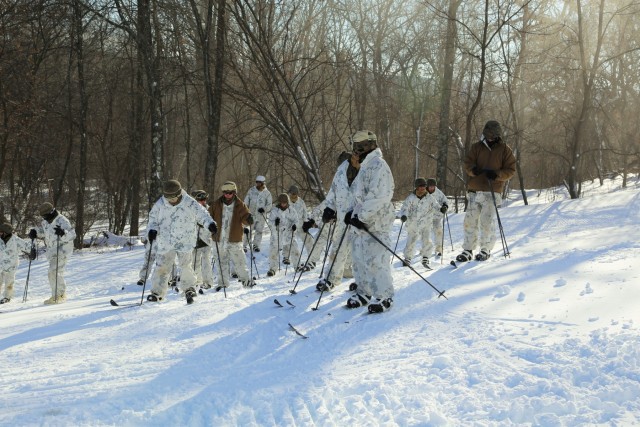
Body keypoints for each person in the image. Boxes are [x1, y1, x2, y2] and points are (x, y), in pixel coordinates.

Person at [344, 130, 396, 313]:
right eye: (355, 147)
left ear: (369, 145)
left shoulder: (379, 166)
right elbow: (357, 195)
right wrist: (351, 212)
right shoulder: (365, 167)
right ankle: (364, 292)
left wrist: (362, 216)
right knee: (359, 259)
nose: (357, 151)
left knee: (376, 260)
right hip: (360, 224)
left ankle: (384, 295)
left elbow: (379, 196)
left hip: (376, 222)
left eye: (360, 147)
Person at [146, 180, 217, 303]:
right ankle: (157, 293)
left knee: (186, 266)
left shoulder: (189, 202)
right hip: (166, 240)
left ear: (179, 194)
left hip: (185, 239)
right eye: (168, 198)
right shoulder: (160, 203)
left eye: (174, 197)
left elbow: (202, 213)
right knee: (162, 267)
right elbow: (153, 218)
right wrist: (152, 230)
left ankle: (189, 288)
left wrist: (209, 223)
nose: (171, 200)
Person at [456, 120, 516, 262]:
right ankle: (468, 250)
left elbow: (511, 170)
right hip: (474, 189)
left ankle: (485, 249)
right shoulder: (476, 147)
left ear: (498, 135)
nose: (489, 137)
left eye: (492, 134)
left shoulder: (505, 150)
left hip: (492, 190)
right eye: (487, 134)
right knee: (470, 221)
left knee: (486, 221)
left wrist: (497, 174)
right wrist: (473, 170)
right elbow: (467, 163)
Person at [316, 151, 357, 291]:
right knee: (337, 248)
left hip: (359, 219)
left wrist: (358, 211)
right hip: (342, 220)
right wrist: (329, 208)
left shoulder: (363, 172)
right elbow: (333, 193)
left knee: (361, 250)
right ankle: (331, 278)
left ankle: (363, 282)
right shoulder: (339, 175)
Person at [208, 181, 255, 291]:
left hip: (234, 238)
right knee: (221, 262)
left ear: (234, 192)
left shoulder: (240, 204)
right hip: (218, 239)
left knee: (240, 261)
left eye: (230, 193)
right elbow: (207, 217)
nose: (227, 195)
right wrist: (209, 225)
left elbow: (245, 216)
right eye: (225, 193)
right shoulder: (216, 204)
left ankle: (246, 280)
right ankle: (222, 283)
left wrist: (248, 219)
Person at [29, 202, 76, 304]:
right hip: (52, 252)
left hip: (63, 250)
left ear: (51, 212)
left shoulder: (62, 221)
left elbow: (72, 235)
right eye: (43, 216)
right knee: (53, 272)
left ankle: (60, 295)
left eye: (45, 215)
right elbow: (44, 231)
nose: (44, 218)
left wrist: (63, 233)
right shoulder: (46, 221)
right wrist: (35, 232)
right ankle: (57, 294)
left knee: (53, 271)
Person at [398, 178, 442, 268]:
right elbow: (404, 208)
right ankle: (408, 258)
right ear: (417, 187)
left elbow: (436, 205)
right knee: (411, 240)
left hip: (426, 222)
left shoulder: (429, 197)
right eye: (420, 186)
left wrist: (442, 208)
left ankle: (426, 257)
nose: (422, 188)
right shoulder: (411, 198)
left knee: (426, 239)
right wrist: (404, 215)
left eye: (424, 186)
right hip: (413, 223)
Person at [266, 193, 300, 277]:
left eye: (285, 202)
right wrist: (275, 223)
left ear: (287, 202)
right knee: (273, 252)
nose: (283, 204)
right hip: (277, 235)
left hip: (289, 234)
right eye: (282, 202)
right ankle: (272, 269)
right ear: (279, 202)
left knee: (295, 250)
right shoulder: (275, 211)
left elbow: (296, 220)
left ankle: (297, 266)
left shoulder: (291, 210)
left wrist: (294, 226)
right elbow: (270, 223)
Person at [0, 223, 35, 304]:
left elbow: (26, 245)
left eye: (1, 232)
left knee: (9, 282)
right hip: (0, 264)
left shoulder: (15, 240)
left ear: (6, 232)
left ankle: (7, 297)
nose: (0, 233)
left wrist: (32, 251)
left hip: (11, 265)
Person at [286, 185, 314, 270]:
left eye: (295, 194)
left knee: (310, 241)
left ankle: (311, 262)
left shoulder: (301, 202)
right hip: (290, 227)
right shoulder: (286, 202)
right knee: (294, 246)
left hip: (301, 226)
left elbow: (305, 213)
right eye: (292, 194)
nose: (293, 195)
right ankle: (297, 265)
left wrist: (307, 223)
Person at [192, 190, 215, 290]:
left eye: (205, 199)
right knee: (195, 262)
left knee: (206, 262)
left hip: (206, 239)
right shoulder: (192, 210)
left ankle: (208, 282)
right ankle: (196, 282)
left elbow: (213, 223)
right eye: (201, 199)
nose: (203, 201)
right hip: (195, 239)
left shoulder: (209, 210)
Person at [244, 175, 272, 252]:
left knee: (259, 231)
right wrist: (245, 211)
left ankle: (256, 245)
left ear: (263, 183)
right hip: (251, 214)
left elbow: (269, 205)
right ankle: (244, 245)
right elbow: (246, 201)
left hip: (261, 216)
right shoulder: (251, 190)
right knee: (248, 230)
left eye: (260, 183)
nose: (258, 184)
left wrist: (264, 209)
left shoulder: (267, 193)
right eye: (257, 182)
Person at [426, 178, 449, 256]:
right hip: (426, 216)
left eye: (433, 186)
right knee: (425, 233)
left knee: (438, 231)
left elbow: (445, 201)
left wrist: (445, 206)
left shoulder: (439, 193)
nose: (432, 188)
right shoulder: (423, 192)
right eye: (430, 186)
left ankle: (439, 248)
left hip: (437, 216)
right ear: (427, 186)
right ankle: (426, 248)